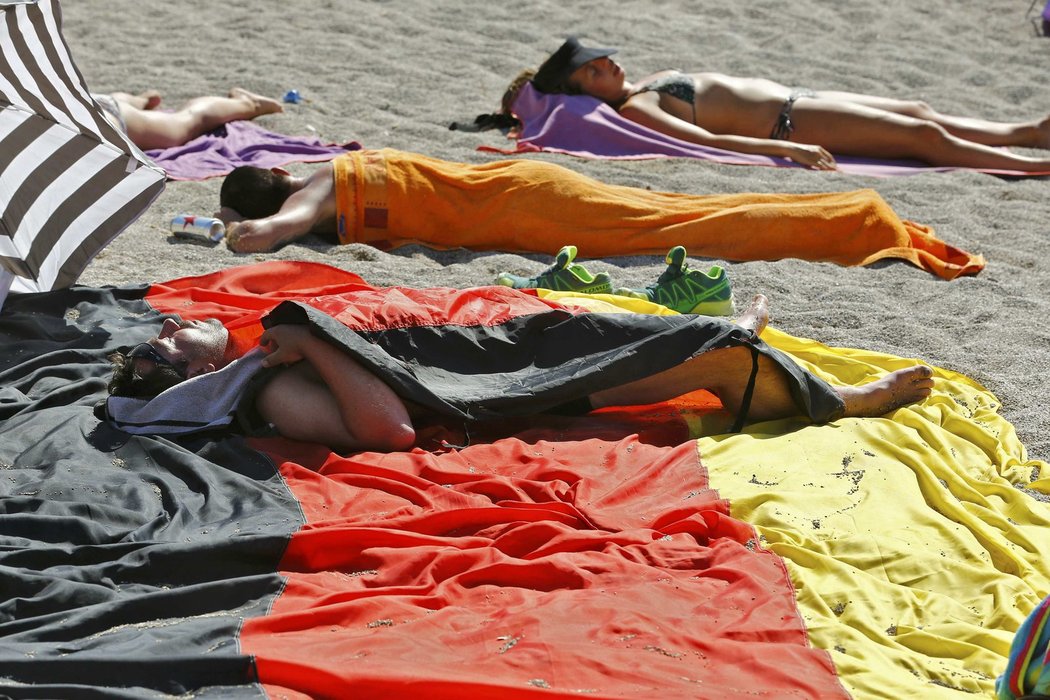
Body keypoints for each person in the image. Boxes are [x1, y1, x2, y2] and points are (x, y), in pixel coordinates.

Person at [105, 289, 935, 454]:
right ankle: (841, 404)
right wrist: (311, 341)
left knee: (574, 325)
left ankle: (721, 335)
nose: (173, 324)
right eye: (163, 345)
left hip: (467, 358)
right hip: (479, 397)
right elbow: (388, 431)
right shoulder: (270, 386)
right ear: (181, 380)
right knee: (717, 360)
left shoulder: (261, 355)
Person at [213, 148, 983, 280]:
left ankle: (861, 221)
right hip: (529, 191)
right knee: (691, 212)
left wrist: (251, 233)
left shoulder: (322, 185)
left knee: (694, 227)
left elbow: (284, 222)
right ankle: (854, 215)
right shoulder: (339, 178)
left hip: (535, 210)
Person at [501, 36, 1050, 172]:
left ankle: (1027, 131)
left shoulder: (644, 84)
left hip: (801, 96)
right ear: (581, 91)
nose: (608, 66)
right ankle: (1032, 165)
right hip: (791, 121)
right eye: (593, 71)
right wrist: (790, 148)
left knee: (920, 111)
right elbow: (710, 141)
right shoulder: (638, 110)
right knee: (924, 141)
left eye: (603, 58)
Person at [93, 87, 283, 151]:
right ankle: (138, 101)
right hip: (93, 106)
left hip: (108, 119)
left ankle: (248, 103)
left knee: (186, 122)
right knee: (112, 104)